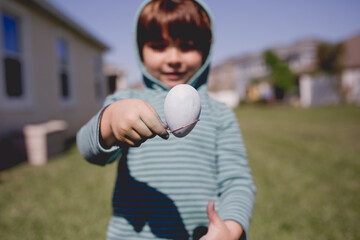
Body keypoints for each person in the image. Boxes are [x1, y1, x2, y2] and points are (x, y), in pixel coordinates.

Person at [77, 0, 256, 239]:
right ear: (141, 48)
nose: (173, 58)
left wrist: (231, 228)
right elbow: (89, 151)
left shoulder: (219, 113)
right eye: (159, 46)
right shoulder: (125, 101)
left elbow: (237, 181)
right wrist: (109, 121)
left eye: (187, 46)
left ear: (205, 49)